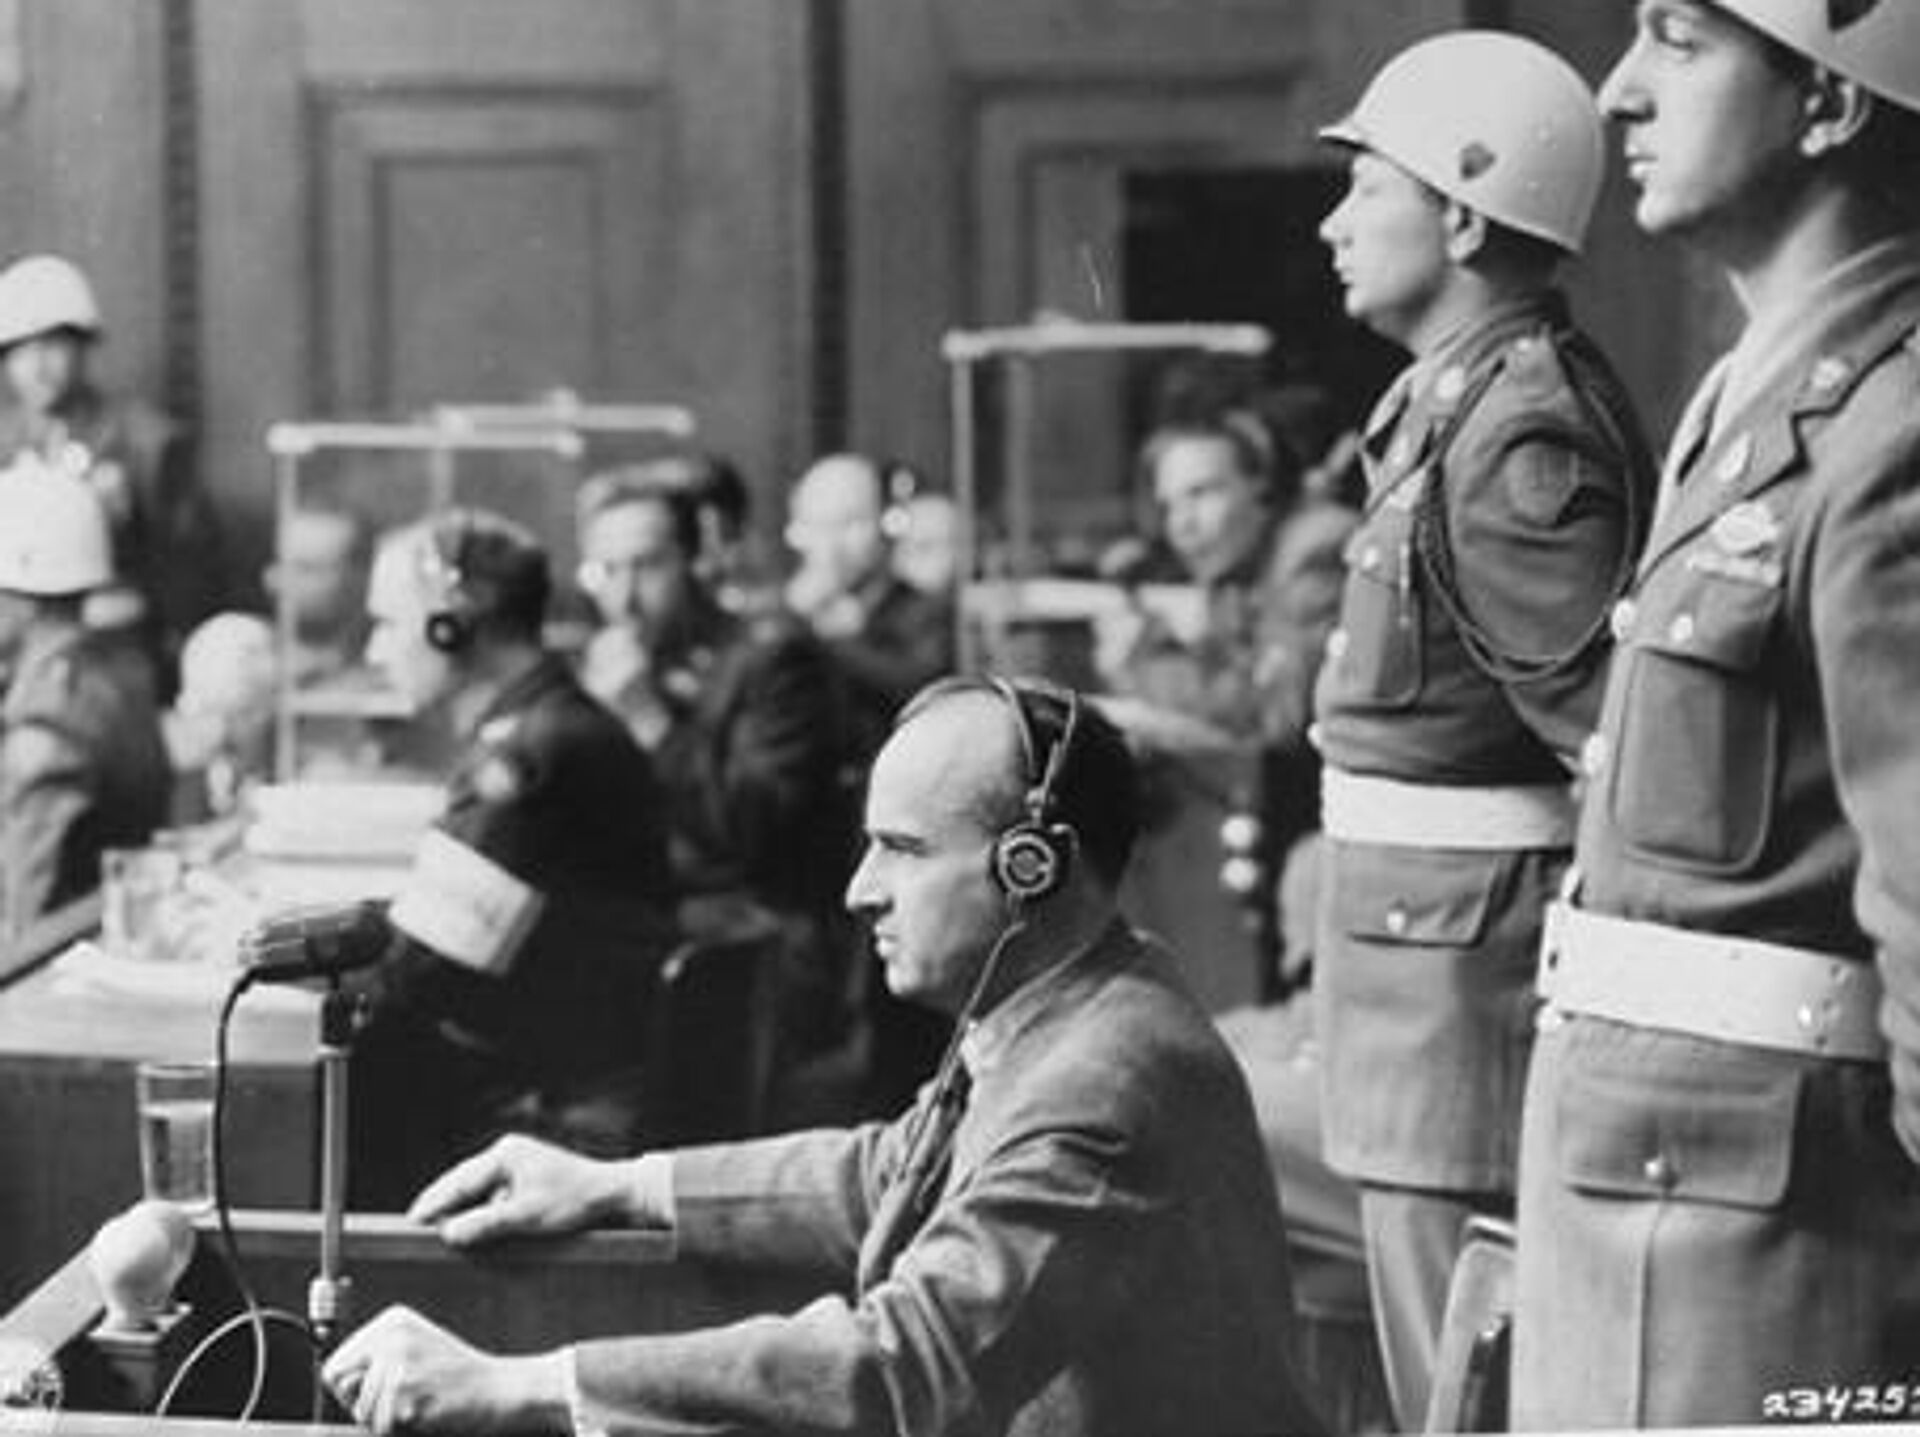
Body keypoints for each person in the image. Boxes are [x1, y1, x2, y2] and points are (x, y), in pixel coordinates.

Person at [322, 675, 1328, 1437]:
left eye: (904, 848)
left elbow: (903, 1367)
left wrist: (525, 1382)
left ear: (1031, 867)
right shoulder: (1075, 1004)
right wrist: (618, 1185)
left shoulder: (1104, 1081)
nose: (860, 890)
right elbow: (891, 1168)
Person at [1513, 3, 1920, 1425]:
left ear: (1830, 103)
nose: (1616, 93)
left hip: (1766, 1236)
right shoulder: (1758, 396)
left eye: (1679, 41)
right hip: (1656, 1183)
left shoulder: (1889, 429)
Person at [1309, 31, 1654, 1426]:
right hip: (1414, 989)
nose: (1333, 225)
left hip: (1463, 1006)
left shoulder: (1517, 435)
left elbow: (1623, 758)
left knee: (1464, 1391)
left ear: (1459, 215)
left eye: (1365, 188)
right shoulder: (1457, 406)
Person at [346, 508, 677, 1208]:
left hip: (541, 1117)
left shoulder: (531, 756)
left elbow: (416, 970)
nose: (375, 649)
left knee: (341, 1094)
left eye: (387, 622)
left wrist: (268, 949)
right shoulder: (554, 724)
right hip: (564, 1082)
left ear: (451, 626)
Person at [574, 469, 856, 1072]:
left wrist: (649, 722)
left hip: (756, 942)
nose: (624, 597)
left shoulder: (773, 658)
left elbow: (753, 828)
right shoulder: (612, 663)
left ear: (694, 562)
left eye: (648, 566)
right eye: (605, 571)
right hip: (655, 928)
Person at [0, 254, 228, 691]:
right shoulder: (4, 442)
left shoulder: (148, 443)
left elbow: (189, 574)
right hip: (18, 655)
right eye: (21, 350)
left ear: (83, 347)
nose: (38, 366)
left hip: (119, 653)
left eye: (53, 345)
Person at [0, 458, 169, 937]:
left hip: (56, 967)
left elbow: (26, 919)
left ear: (18, 600)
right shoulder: (120, 673)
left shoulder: (48, 720)